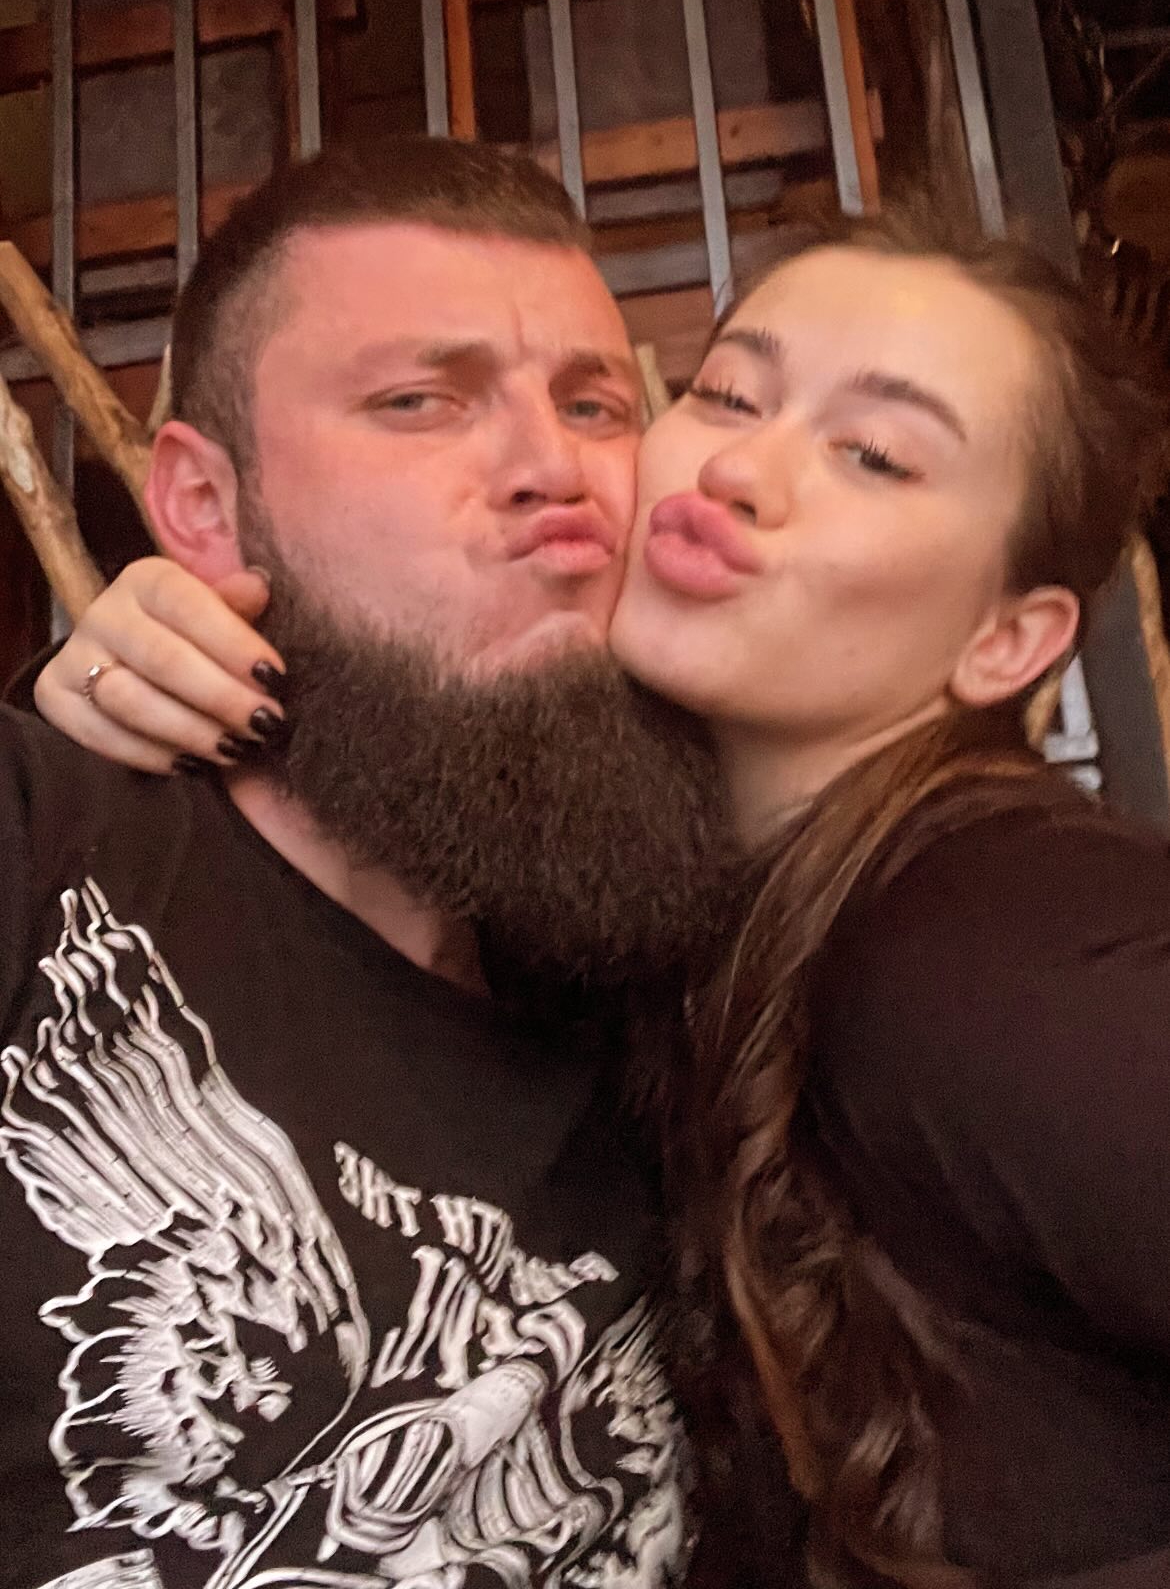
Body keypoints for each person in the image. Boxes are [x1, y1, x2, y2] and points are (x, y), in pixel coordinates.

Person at [49, 206, 1170, 1589]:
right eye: (726, 394)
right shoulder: (607, 914)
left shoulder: (1001, 947)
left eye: (874, 455)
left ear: (1007, 639)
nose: (744, 468)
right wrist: (128, 694)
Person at [0, 135, 743, 1589]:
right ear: (202, 509)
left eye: (594, 404)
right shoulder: (41, 842)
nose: (555, 471)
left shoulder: (684, 963)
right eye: (419, 401)